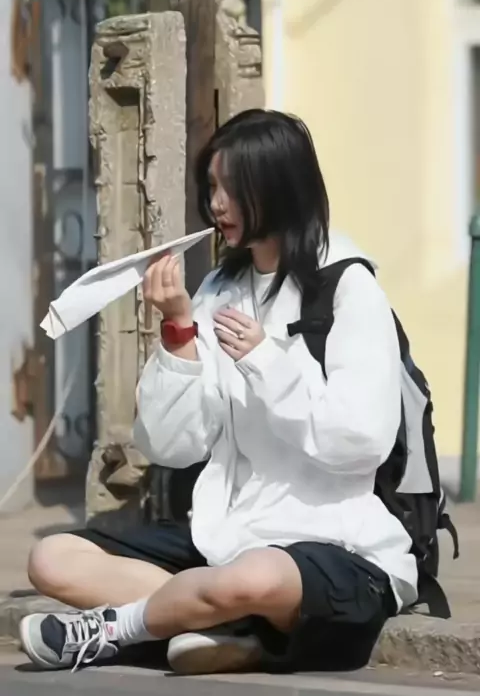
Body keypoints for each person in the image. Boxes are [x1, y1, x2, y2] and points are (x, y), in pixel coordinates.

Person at [19, 109, 418, 675]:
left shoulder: (349, 288)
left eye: (232, 188)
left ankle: (111, 630)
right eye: (211, 187)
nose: (217, 205)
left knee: (253, 576)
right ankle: (224, 626)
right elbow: (171, 445)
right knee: (53, 557)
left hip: (333, 545)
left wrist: (266, 362)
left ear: (278, 187)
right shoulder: (221, 289)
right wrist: (180, 329)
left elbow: (360, 442)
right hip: (225, 535)